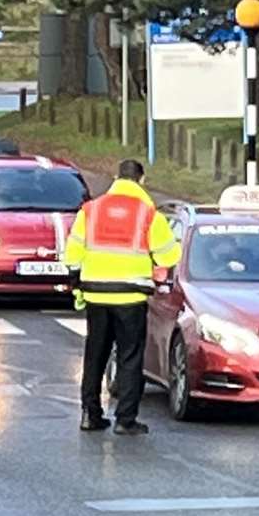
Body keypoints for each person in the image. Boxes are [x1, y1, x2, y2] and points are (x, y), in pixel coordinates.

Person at [63, 159, 180, 435]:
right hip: (130, 296)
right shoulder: (148, 214)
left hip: (96, 294)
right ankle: (125, 420)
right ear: (142, 180)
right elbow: (168, 255)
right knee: (130, 357)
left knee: (95, 354)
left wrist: (77, 282)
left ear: (116, 178)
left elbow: (73, 252)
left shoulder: (90, 210)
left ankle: (90, 415)